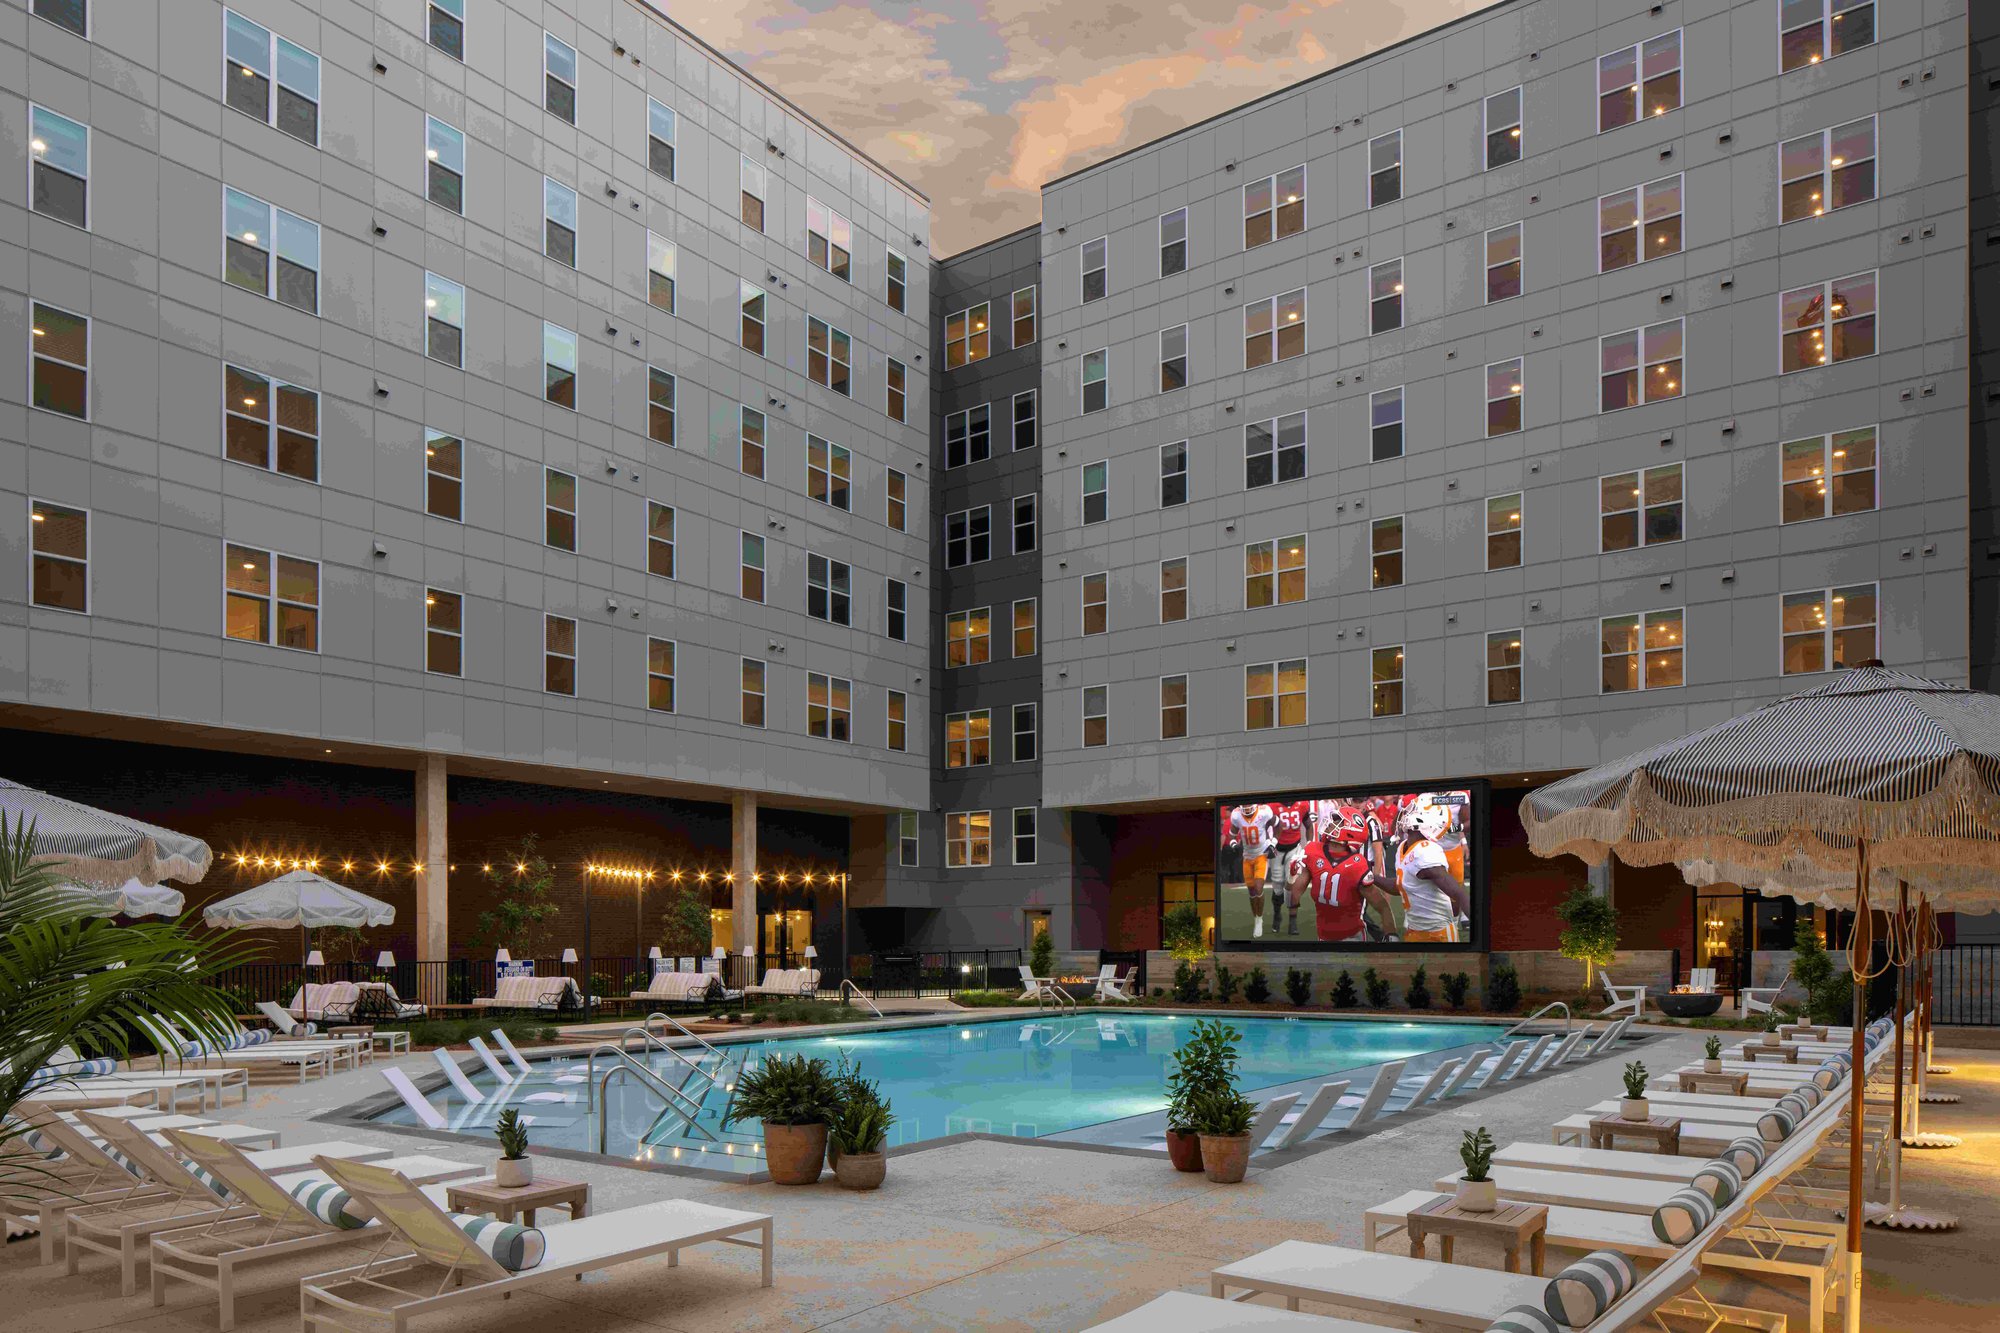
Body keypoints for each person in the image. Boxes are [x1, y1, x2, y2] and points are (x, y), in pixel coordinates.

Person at [1289, 805, 1396, 942]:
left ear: (1349, 832)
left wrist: (1391, 935)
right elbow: (1293, 899)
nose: (1330, 823)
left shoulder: (1357, 864)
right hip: (1323, 936)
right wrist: (1291, 877)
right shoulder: (1313, 851)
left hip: (1352, 938)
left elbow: (1382, 906)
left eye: (1337, 821)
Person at [1395, 794, 1470, 943]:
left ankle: (1454, 923)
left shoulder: (1459, 796)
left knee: (1453, 888)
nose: (1406, 814)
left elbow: (1458, 893)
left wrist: (1459, 835)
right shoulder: (1403, 847)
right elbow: (1400, 883)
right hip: (1417, 929)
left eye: (1413, 812)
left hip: (1447, 848)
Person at [1263, 799, 1308, 935]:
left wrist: (1309, 844)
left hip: (1294, 849)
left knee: (1292, 884)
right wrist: (1268, 843)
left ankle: (1292, 922)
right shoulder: (1271, 806)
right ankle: (1277, 914)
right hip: (1277, 850)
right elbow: (1263, 826)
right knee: (1277, 886)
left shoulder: (1303, 804)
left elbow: (1309, 825)